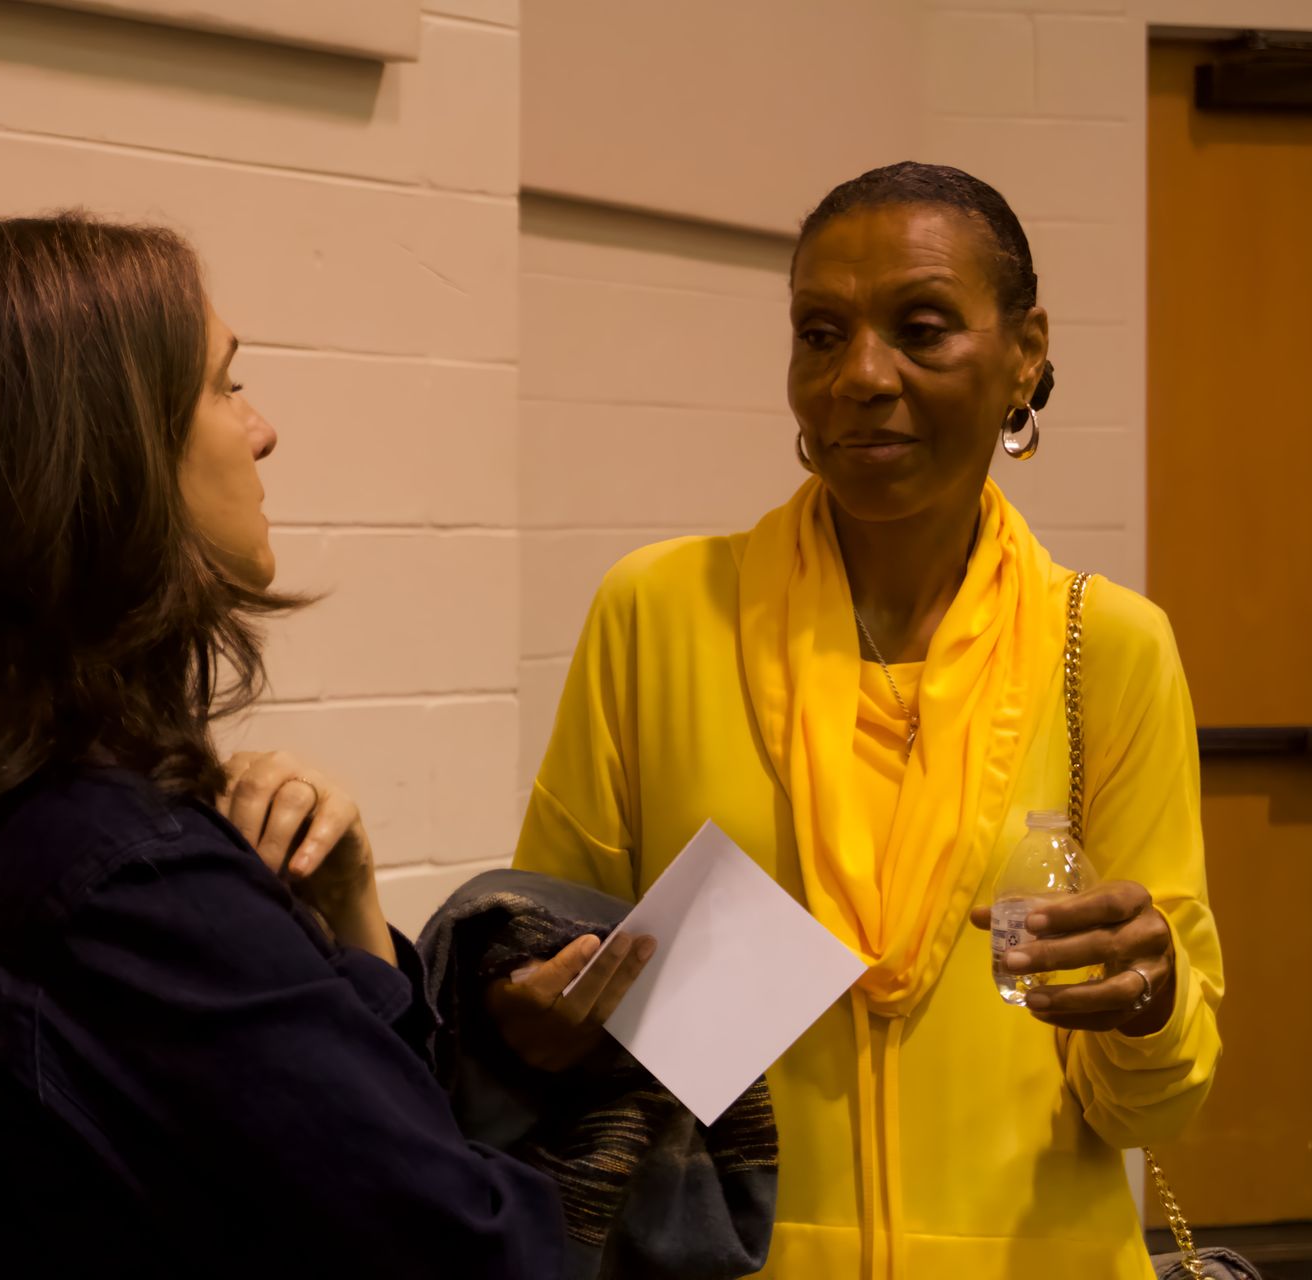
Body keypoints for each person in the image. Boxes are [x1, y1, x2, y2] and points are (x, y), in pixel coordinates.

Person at [0, 213, 564, 1278]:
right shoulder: (122, 881)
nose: (263, 428)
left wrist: (348, 910)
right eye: (226, 386)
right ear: (104, 454)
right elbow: (475, 1250)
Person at [496, 162, 1224, 1278]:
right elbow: (546, 967)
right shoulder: (658, 613)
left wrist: (1149, 1002)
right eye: (821, 333)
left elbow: (1157, 1104)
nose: (861, 375)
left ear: (1025, 351)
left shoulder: (1109, 647)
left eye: (921, 328)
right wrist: (536, 1010)